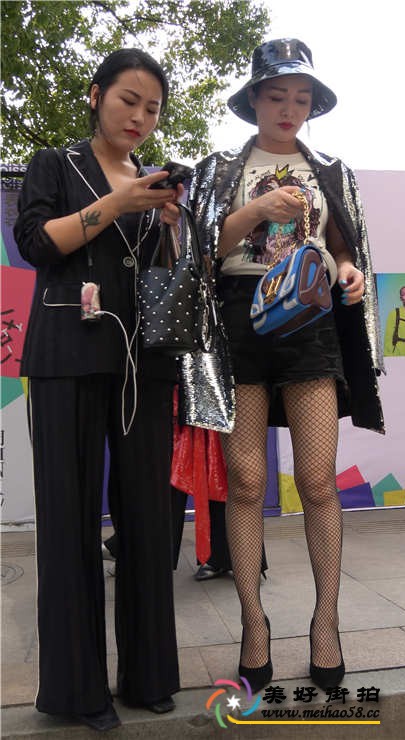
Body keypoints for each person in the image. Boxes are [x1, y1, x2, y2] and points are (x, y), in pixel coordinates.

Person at [188, 38, 385, 693]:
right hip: (238, 319)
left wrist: (349, 272)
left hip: (310, 321)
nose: (289, 108)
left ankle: (326, 624)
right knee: (246, 482)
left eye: (301, 98)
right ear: (254, 99)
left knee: (319, 480)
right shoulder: (221, 168)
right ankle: (254, 624)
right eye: (277, 95)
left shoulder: (330, 169)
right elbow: (199, 249)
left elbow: (344, 247)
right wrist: (255, 211)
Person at [14, 48, 182, 730]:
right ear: (95, 96)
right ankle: (76, 691)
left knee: (147, 517)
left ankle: (148, 675)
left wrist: (172, 227)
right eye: (128, 101)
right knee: (68, 518)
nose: (140, 117)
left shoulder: (154, 183)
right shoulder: (55, 164)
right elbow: (37, 244)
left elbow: (168, 274)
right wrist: (117, 203)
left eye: (152, 109)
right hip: (66, 354)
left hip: (143, 361)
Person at [383, 285, 405, 355]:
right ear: (401, 298)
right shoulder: (394, 314)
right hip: (398, 355)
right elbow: (388, 339)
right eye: (404, 294)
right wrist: (388, 358)